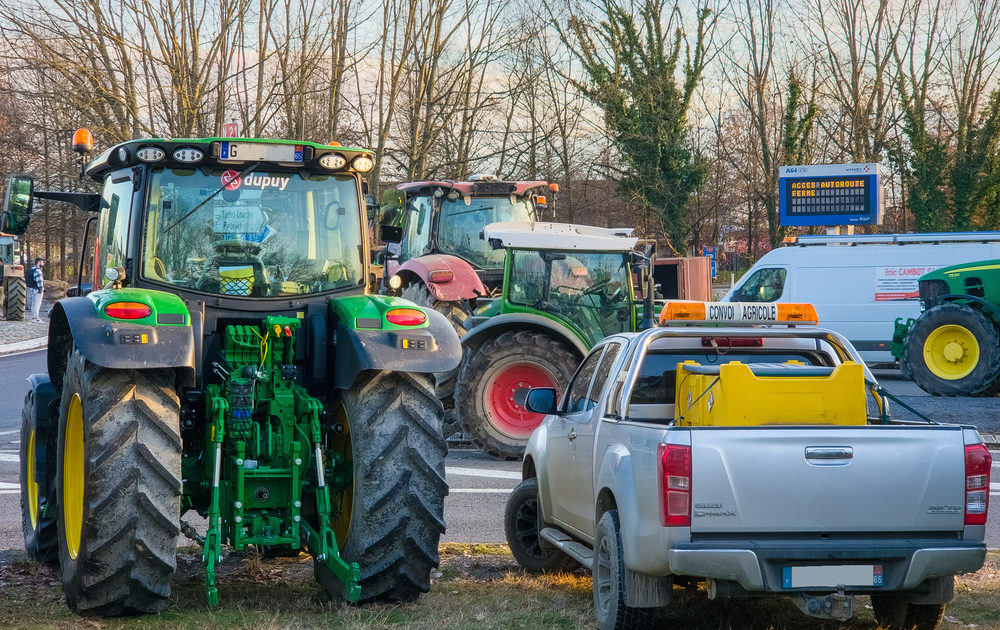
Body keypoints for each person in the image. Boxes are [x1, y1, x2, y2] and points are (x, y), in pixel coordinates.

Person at [26, 257, 44, 322]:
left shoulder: (32, 269)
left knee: (34, 303)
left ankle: (33, 316)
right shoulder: (38, 271)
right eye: (42, 262)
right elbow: (39, 282)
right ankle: (35, 318)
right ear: (38, 262)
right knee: (37, 303)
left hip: (33, 289)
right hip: (37, 290)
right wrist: (41, 289)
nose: (43, 263)